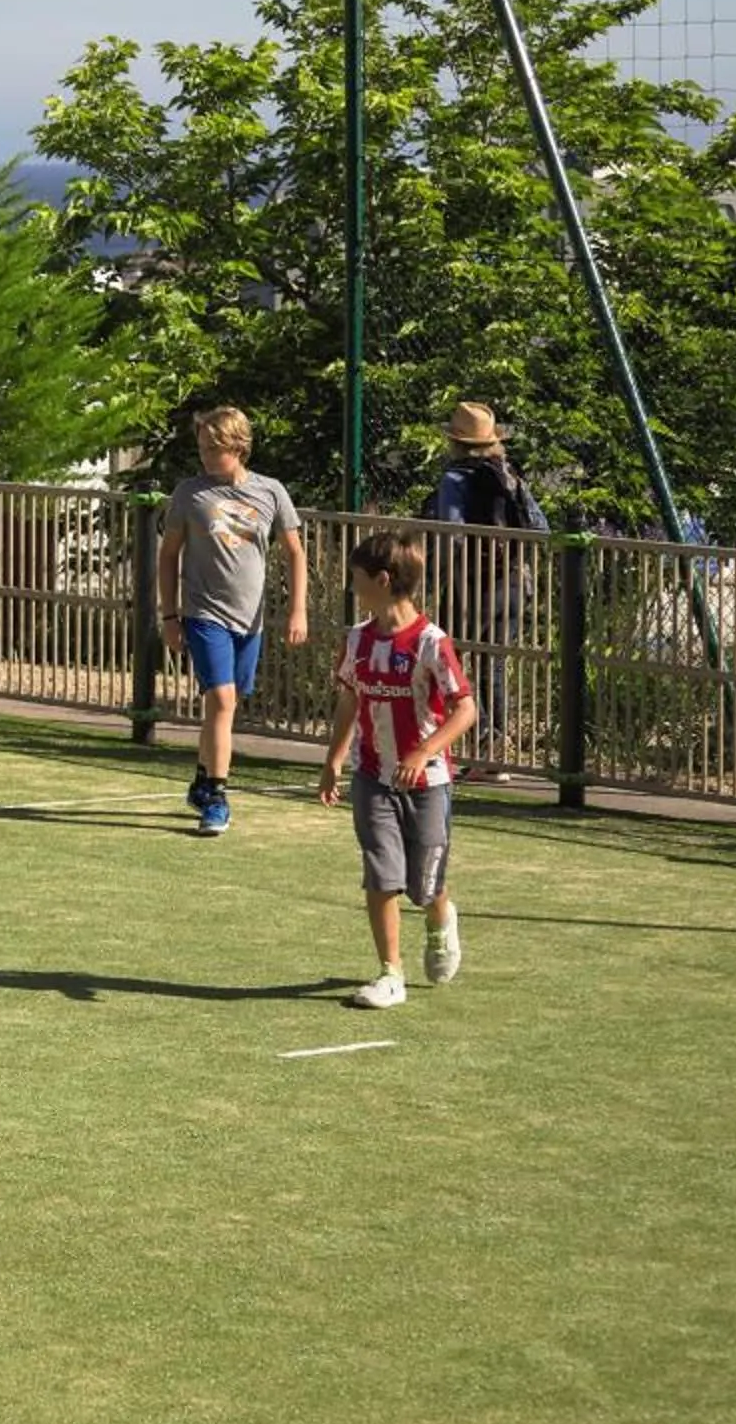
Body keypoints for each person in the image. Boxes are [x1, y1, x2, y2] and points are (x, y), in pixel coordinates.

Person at [316, 531, 473, 1010]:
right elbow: (349, 697)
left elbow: (465, 710)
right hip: (372, 776)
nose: (352, 588)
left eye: (358, 580)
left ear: (383, 581)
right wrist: (334, 759)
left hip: (428, 784)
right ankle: (390, 973)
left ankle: (440, 917)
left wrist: (424, 751)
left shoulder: (430, 643)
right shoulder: (358, 640)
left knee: (424, 884)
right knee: (381, 873)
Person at [158, 406, 308, 838]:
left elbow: (295, 552)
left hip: (250, 618)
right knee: (221, 701)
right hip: (204, 613)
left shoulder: (271, 492)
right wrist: (170, 615)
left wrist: (298, 609)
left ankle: (203, 782)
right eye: (202, 448)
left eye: (214, 449)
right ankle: (218, 798)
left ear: (239, 448)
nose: (205, 456)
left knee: (225, 706)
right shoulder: (190, 494)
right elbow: (169, 556)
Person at [419, 401, 547, 775]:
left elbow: (453, 536)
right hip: (514, 580)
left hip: (470, 585)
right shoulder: (509, 475)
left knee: (448, 660)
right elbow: (540, 528)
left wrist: (433, 577)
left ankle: (476, 744)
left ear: (455, 442)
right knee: (493, 663)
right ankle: (495, 757)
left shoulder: (454, 479)